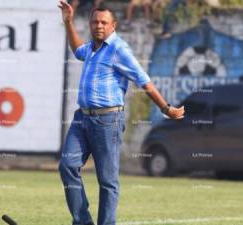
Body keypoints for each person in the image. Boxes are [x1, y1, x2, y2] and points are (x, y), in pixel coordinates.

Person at [58, 1, 185, 225]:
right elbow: (77, 50)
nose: (99, 25)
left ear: (113, 25)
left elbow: (144, 81)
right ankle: (83, 221)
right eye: (95, 22)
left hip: (107, 121)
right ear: (90, 24)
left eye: (103, 22)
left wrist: (166, 108)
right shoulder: (91, 48)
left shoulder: (119, 50)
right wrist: (68, 22)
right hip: (82, 118)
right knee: (67, 166)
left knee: (107, 181)